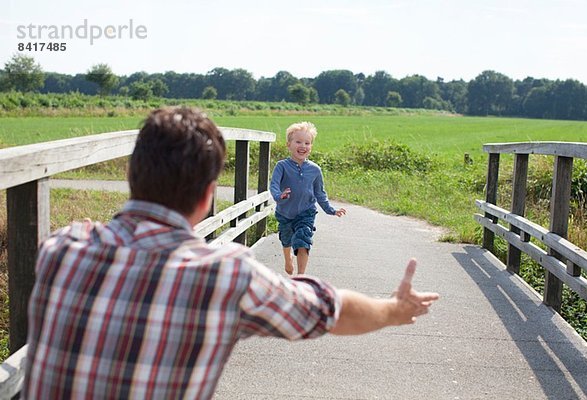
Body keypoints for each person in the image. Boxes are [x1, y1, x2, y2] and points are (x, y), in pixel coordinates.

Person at [23, 107, 439, 400]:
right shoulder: (224, 276)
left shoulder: (62, 248)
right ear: (207, 196)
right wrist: (393, 310)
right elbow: (331, 310)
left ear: (132, 174)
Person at [269, 121, 346, 275]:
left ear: (311, 147)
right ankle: (287, 259)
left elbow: (320, 193)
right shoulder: (282, 166)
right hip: (285, 212)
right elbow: (274, 185)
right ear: (289, 145)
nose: (303, 146)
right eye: (298, 142)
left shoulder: (315, 170)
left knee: (303, 241)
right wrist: (279, 195)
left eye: (307, 143)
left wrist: (331, 210)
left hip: (306, 213)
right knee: (286, 239)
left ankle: (301, 277)